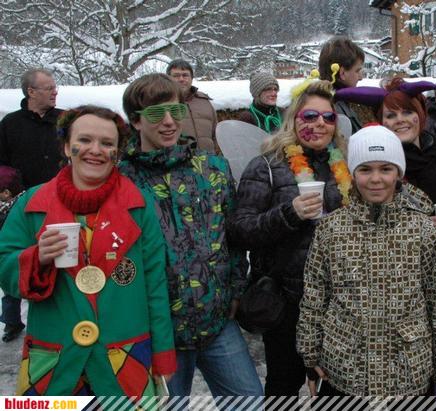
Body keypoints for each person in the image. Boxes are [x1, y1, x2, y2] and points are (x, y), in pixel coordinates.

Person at [0, 106, 176, 399]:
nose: (96, 150)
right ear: (66, 146)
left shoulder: (139, 205)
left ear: (116, 153)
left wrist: (163, 354)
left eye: (107, 143)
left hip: (124, 356)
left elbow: (155, 286)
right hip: (52, 358)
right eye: (84, 140)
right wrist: (36, 258)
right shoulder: (32, 203)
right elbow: (4, 266)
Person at [119, 73, 262, 399]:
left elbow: (233, 237)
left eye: (176, 111)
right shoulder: (122, 181)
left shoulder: (213, 169)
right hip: (158, 332)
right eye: (157, 114)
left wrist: (236, 289)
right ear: (136, 121)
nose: (169, 122)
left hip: (217, 322)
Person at [296, 125, 436, 396]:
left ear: (398, 173)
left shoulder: (422, 229)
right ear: (353, 173)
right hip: (345, 366)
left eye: (385, 169)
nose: (376, 179)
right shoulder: (331, 228)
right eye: (365, 169)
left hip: (407, 370)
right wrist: (310, 353)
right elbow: (316, 294)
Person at [228, 80, 352, 396]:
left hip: (338, 301)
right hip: (287, 302)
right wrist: (289, 213)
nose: (319, 123)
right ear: (293, 119)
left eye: (328, 117)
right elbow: (240, 230)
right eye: (310, 116)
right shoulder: (266, 166)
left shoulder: (343, 165)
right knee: (284, 386)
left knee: (337, 386)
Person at [0, 68, 64, 343]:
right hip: (22, 206)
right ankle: (12, 319)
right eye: (49, 87)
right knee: (21, 255)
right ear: (31, 92)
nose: (54, 91)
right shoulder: (10, 124)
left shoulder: (63, 120)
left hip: (60, 203)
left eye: (55, 87)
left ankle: (58, 314)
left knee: (57, 256)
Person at [166, 59, 220, 153]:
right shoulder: (162, 103)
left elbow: (216, 133)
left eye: (185, 75)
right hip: (177, 160)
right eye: (176, 76)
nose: (181, 79)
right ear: (168, 79)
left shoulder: (204, 101)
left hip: (208, 159)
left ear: (191, 78)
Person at [319, 36, 365, 133]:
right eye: (357, 71)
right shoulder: (336, 111)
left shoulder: (319, 102)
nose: (361, 77)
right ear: (342, 73)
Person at [0, 166, 25, 342]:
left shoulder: (19, 208)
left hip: (20, 255)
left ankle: (12, 323)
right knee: (10, 291)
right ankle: (12, 322)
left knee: (12, 290)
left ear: (6, 193)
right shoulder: (5, 207)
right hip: (10, 257)